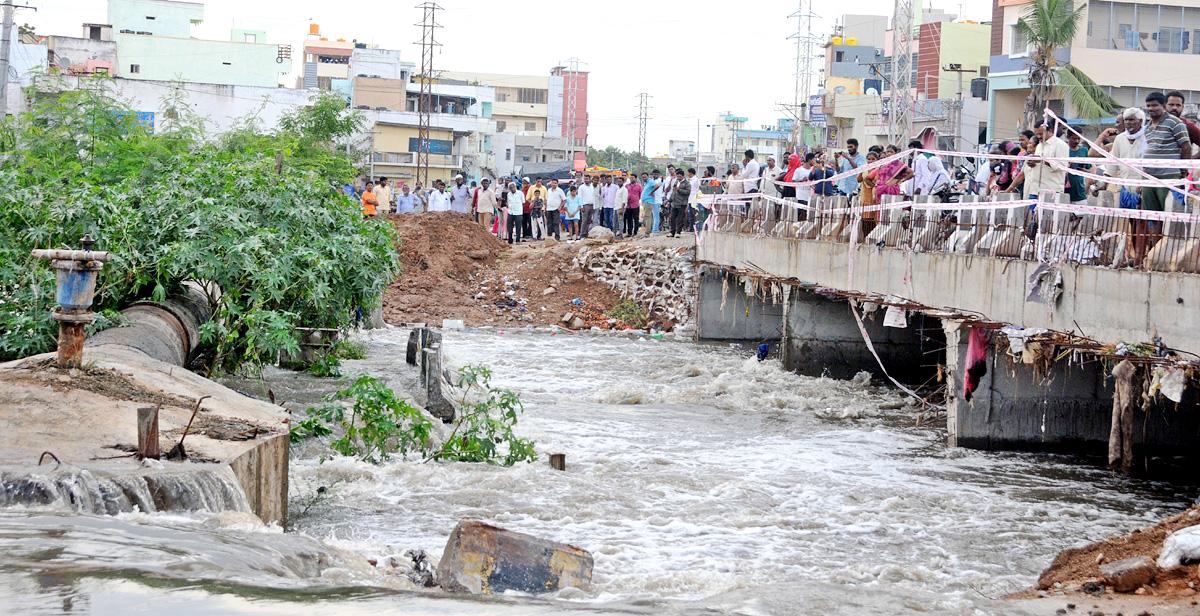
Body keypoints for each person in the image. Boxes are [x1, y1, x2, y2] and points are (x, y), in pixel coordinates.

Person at [1022, 121, 1069, 201]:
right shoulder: (1040, 145)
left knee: (1048, 213)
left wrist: (1042, 160)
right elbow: (1038, 162)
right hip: (1035, 190)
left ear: (1050, 131)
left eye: (1041, 134)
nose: (1039, 136)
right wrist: (1032, 163)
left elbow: (1063, 166)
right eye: (1037, 134)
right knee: (1034, 213)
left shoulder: (1060, 145)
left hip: (1051, 190)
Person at [857, 150, 881, 235]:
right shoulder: (864, 168)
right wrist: (861, 172)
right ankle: (866, 235)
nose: (870, 161)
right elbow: (859, 180)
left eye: (873, 159)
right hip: (865, 196)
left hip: (874, 195)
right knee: (865, 217)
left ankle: (873, 235)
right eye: (869, 159)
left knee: (874, 218)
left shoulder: (880, 169)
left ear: (877, 160)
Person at [1065, 132, 1091, 205]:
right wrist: (1070, 166)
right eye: (1074, 138)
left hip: (1079, 189)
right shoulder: (1063, 149)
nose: (1076, 141)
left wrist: (1083, 170)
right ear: (1068, 137)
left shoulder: (1084, 150)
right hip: (1065, 189)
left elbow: (1088, 168)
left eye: (1078, 139)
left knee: (1080, 214)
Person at [666, 168, 691, 237]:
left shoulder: (687, 183)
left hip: (682, 204)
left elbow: (688, 192)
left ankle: (678, 232)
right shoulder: (676, 182)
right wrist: (669, 201)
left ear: (683, 176)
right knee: (672, 218)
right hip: (674, 203)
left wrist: (679, 190)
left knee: (680, 219)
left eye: (680, 177)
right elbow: (673, 193)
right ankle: (672, 232)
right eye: (677, 176)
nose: (679, 178)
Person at [641, 170, 660, 235]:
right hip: (645, 201)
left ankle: (648, 232)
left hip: (648, 201)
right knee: (648, 216)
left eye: (645, 177)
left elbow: (657, 185)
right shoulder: (646, 183)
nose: (644, 178)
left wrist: (651, 192)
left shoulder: (651, 181)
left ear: (648, 176)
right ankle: (648, 230)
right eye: (643, 177)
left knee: (648, 216)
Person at [624, 174, 642, 238]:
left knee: (636, 219)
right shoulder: (627, 186)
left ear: (636, 178)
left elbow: (640, 194)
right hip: (628, 205)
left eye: (633, 178)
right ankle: (629, 232)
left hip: (635, 205)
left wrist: (636, 199)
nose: (631, 179)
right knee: (629, 219)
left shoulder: (639, 186)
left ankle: (635, 232)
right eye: (630, 178)